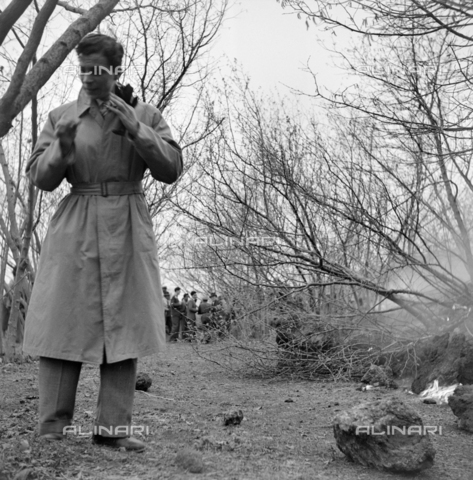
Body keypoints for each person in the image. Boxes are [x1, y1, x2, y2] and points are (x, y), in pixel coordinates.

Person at [22, 33, 183, 451]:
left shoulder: (143, 112)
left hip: (128, 222)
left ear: (115, 70)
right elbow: (41, 178)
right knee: (64, 322)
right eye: (83, 69)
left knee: (124, 324)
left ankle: (113, 429)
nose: (90, 78)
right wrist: (60, 149)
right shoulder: (61, 117)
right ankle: (53, 426)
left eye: (99, 70)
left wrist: (136, 129)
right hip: (76, 223)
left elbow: (170, 169)